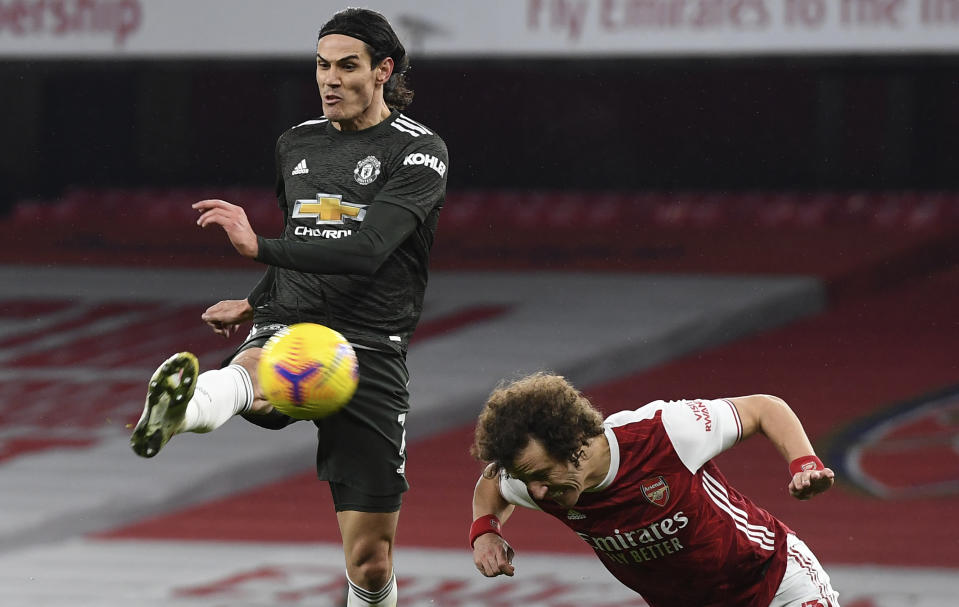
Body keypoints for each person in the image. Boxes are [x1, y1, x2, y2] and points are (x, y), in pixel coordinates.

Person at [130, 8, 448, 607]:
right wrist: (258, 304)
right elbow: (304, 235)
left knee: (372, 561)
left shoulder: (421, 152)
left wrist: (255, 250)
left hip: (372, 345)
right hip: (295, 323)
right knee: (252, 377)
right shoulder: (296, 142)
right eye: (322, 66)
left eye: (347, 66)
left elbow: (367, 249)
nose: (330, 79)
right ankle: (183, 405)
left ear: (383, 71)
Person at [469, 373, 840, 607]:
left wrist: (804, 465)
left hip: (774, 580)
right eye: (525, 478)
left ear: (575, 446)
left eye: (543, 475)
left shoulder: (666, 432)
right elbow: (492, 485)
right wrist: (485, 532)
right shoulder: (533, 478)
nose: (536, 491)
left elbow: (763, 409)